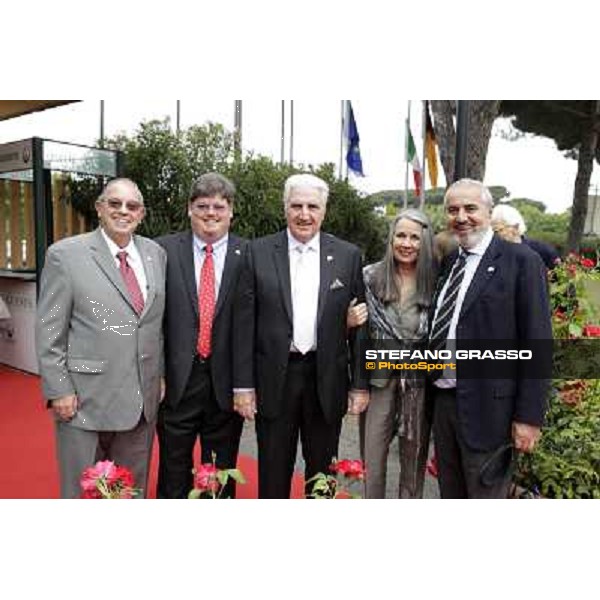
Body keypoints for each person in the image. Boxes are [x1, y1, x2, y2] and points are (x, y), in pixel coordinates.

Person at [232, 173, 369, 499]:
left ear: (324, 210)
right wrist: (243, 386)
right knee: (273, 469)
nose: (304, 214)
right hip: (275, 377)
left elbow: (360, 328)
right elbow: (243, 324)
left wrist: (360, 384)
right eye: (296, 205)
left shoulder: (348, 256)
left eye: (312, 206)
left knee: (322, 472)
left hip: (327, 378)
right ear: (285, 208)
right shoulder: (257, 252)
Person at [36, 178, 167, 498]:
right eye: (115, 203)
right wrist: (58, 389)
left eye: (132, 206)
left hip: (141, 403)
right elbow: (50, 328)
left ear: (142, 214)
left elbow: (155, 324)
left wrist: (160, 373)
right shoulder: (65, 255)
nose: (123, 211)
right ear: (99, 208)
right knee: (85, 493)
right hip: (84, 401)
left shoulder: (155, 254)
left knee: (129, 493)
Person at [429, 179, 552, 499]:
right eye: (453, 210)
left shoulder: (521, 261)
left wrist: (528, 417)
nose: (461, 216)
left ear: (489, 211)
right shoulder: (450, 262)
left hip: (490, 413)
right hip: (444, 405)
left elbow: (537, 342)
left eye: (471, 208)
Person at [155, 173, 246, 499]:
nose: (211, 213)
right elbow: (151, 320)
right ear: (189, 209)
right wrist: (158, 372)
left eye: (219, 206)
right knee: (172, 468)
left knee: (220, 473)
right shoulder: (161, 251)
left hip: (225, 385)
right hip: (176, 383)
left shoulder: (248, 254)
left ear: (231, 210)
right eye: (202, 205)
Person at [358, 209, 436, 498]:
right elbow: (355, 333)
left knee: (412, 458)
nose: (406, 243)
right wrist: (348, 321)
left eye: (415, 237)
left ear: (425, 242)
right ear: (391, 240)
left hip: (418, 381)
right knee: (373, 456)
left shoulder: (437, 282)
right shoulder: (369, 276)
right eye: (400, 235)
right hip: (378, 379)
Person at [491, 203, 559, 269]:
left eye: (499, 230)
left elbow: (559, 276)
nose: (495, 235)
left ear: (515, 227)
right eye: (492, 231)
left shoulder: (542, 251)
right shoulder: (492, 254)